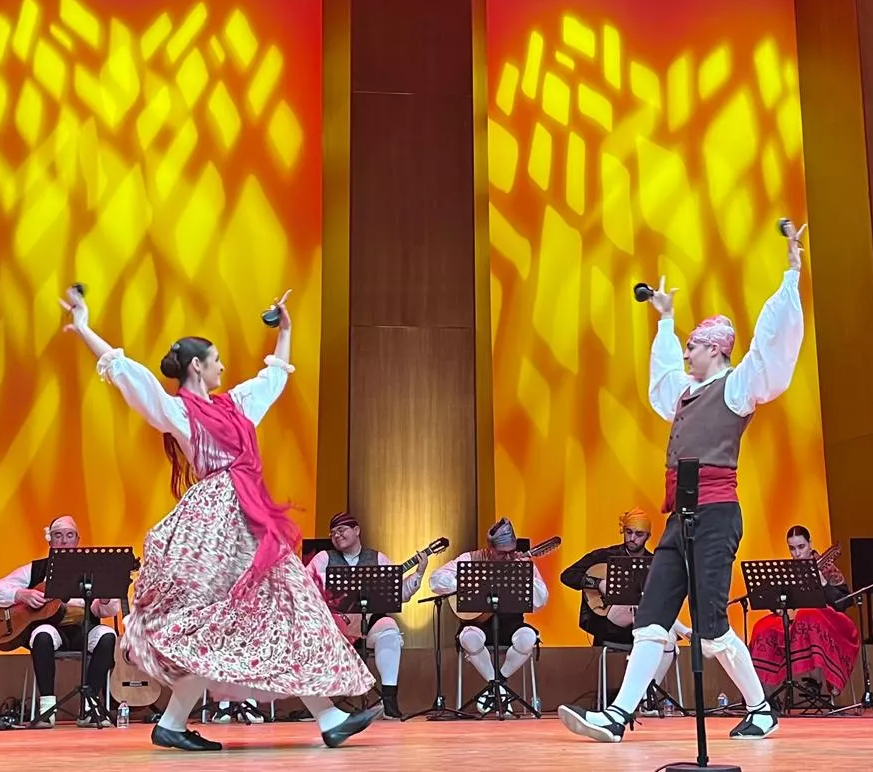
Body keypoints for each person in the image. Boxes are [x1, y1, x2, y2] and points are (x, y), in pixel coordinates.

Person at [61, 286, 379, 751]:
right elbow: (128, 373)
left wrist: (286, 332)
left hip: (249, 520)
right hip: (214, 527)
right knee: (217, 621)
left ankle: (324, 717)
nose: (223, 367)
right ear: (196, 366)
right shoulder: (178, 412)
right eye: (216, 360)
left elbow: (273, 379)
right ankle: (321, 717)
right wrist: (86, 327)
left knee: (284, 608)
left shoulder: (237, 406)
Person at [558, 224, 806, 743]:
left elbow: (770, 348)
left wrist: (791, 273)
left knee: (712, 628)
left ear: (715, 351)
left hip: (716, 517)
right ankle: (618, 717)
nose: (686, 354)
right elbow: (664, 375)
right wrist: (667, 322)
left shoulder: (737, 388)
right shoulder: (686, 395)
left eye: (693, 345)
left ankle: (760, 708)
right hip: (681, 519)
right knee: (650, 621)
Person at [0, 515, 121, 728]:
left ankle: (89, 707)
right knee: (42, 634)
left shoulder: (91, 569)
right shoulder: (35, 569)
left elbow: (106, 609)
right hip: (51, 630)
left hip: (82, 630)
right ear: (50, 541)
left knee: (108, 635)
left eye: (69, 535)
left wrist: (104, 598)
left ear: (77, 540)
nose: (64, 541)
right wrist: (21, 595)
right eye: (58, 536)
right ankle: (47, 709)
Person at [559, 507, 690, 713]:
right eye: (629, 532)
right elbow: (567, 575)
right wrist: (597, 583)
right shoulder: (604, 556)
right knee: (645, 603)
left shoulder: (654, 561)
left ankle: (646, 696)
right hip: (609, 624)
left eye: (638, 534)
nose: (632, 538)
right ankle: (683, 628)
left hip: (639, 622)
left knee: (668, 640)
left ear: (647, 536)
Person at [306, 511, 428, 719]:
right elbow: (306, 584)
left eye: (341, 530)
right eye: (333, 533)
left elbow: (401, 594)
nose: (336, 535)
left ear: (356, 530)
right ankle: (321, 704)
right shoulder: (324, 558)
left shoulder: (378, 558)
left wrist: (419, 572)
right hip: (334, 628)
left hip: (367, 625)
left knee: (390, 627)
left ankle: (389, 699)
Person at [430, 518, 548, 712]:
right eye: (502, 553)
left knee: (528, 638)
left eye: (511, 552)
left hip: (511, 623)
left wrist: (526, 573)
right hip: (478, 624)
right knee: (468, 637)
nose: (508, 557)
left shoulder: (521, 563)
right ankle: (499, 690)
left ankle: (497, 685)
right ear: (490, 548)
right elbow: (435, 580)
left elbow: (540, 600)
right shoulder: (471, 558)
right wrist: (470, 585)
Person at [750, 525, 859, 703]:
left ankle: (814, 680)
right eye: (792, 548)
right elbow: (777, 600)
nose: (797, 553)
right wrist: (777, 605)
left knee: (807, 615)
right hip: (795, 619)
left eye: (801, 547)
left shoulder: (828, 569)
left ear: (810, 543)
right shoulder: (788, 571)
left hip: (826, 620)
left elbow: (843, 603)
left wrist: (823, 583)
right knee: (762, 627)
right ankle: (765, 694)